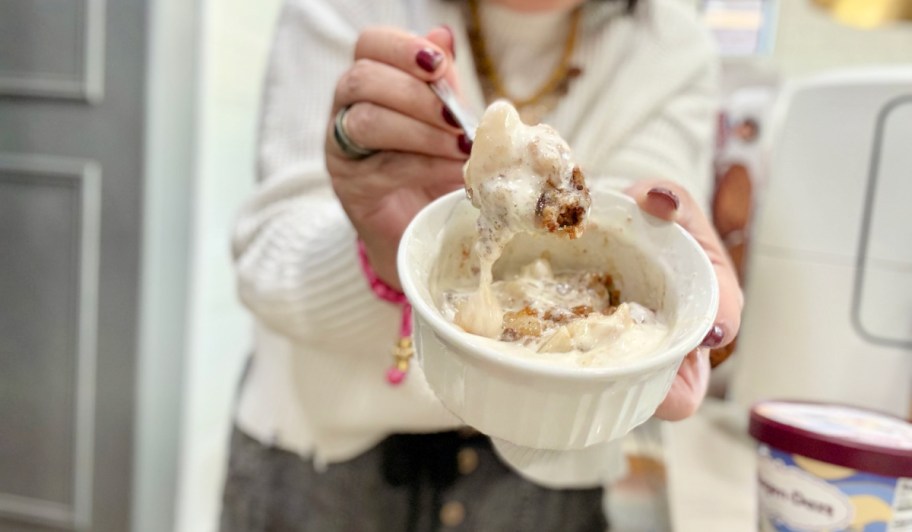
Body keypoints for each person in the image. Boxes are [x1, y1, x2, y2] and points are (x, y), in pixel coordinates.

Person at [222, 0, 743, 529]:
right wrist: (390, 252)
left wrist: (675, 278)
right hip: (322, 464)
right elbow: (266, 259)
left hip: (546, 483)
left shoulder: (671, 45)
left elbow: (636, 240)